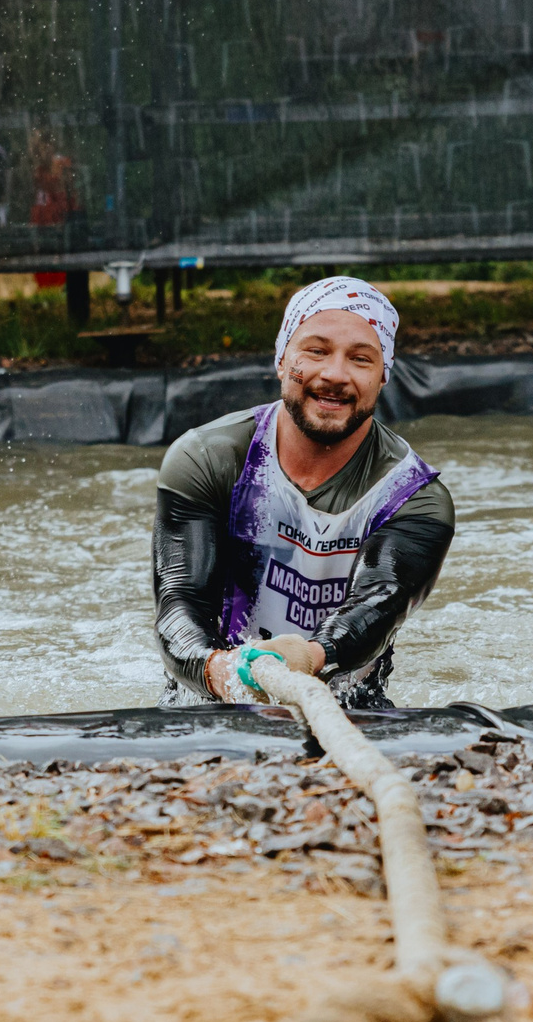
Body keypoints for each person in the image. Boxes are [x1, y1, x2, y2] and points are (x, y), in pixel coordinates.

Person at [151, 275, 454, 708]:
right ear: (282, 360)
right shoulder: (205, 459)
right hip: (212, 695)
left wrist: (304, 659)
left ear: (382, 377)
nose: (335, 375)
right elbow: (180, 603)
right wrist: (226, 671)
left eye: (361, 359)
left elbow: (378, 605)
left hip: (346, 704)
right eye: (316, 351)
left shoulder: (415, 497)